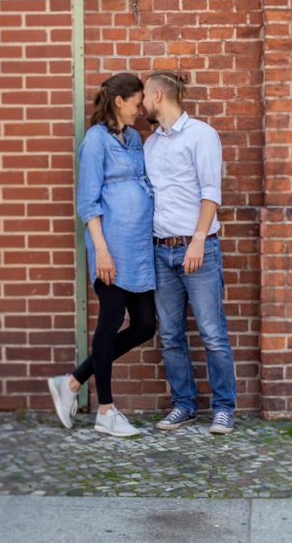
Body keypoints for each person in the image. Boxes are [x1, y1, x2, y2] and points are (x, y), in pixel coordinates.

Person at [47, 72, 156, 437]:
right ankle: (106, 411)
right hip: (110, 248)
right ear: (119, 101)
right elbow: (88, 202)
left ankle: (73, 382)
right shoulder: (95, 141)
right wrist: (102, 252)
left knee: (144, 325)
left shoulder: (135, 139)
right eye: (137, 104)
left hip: (139, 248)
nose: (140, 112)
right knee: (110, 321)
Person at [141, 69, 237, 435]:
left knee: (213, 332)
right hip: (161, 253)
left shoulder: (201, 135)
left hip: (198, 249)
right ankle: (184, 405)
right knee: (170, 334)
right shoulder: (151, 145)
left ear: (159, 96)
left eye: (145, 97)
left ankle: (224, 407)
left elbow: (211, 191)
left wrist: (198, 239)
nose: (142, 105)